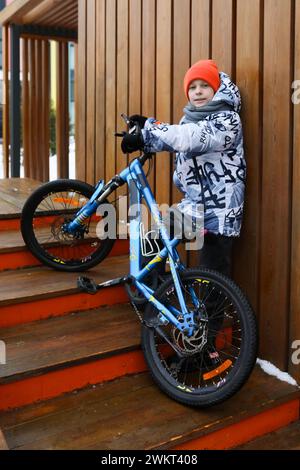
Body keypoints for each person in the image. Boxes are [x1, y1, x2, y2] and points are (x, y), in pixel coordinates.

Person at [121, 59, 245, 279]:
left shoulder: (228, 119)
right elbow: (175, 137)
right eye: (192, 87)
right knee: (154, 237)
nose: (198, 92)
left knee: (212, 274)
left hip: (220, 211)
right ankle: (154, 300)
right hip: (194, 206)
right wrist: (144, 136)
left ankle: (211, 315)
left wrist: (150, 129)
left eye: (204, 86)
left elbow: (192, 138)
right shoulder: (188, 119)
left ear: (216, 89)